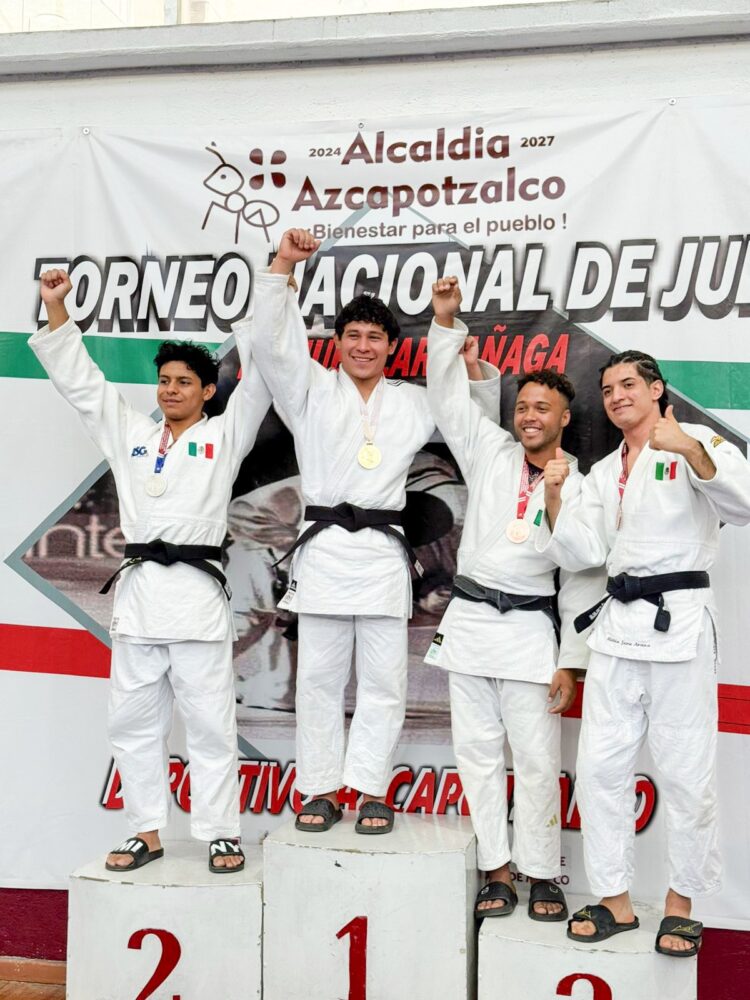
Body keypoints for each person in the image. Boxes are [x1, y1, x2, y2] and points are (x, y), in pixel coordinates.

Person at [249, 229, 498, 834]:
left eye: (375, 338)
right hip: (326, 551)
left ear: (391, 347)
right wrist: (283, 264)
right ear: (336, 344)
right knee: (318, 680)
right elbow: (272, 343)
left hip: (385, 557)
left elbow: (467, 413)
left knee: (386, 681)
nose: (363, 346)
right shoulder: (308, 391)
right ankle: (318, 789)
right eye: (353, 336)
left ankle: (367, 788)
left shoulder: (413, 402)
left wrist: (445, 326)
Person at [30, 268, 272, 873]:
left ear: (208, 391)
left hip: (195, 600)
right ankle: (146, 829)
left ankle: (220, 831)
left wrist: (265, 304)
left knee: (211, 724)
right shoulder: (133, 434)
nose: (168, 390)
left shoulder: (226, 436)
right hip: (139, 600)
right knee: (133, 722)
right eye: (163, 381)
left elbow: (264, 381)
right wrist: (57, 309)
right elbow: (84, 386)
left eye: (183, 382)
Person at [540, 350, 750, 956]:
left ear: (658, 389)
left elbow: (740, 505)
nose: (616, 395)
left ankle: (682, 904)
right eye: (607, 389)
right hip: (617, 627)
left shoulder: (698, 438)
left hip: (680, 622)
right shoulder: (606, 471)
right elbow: (581, 551)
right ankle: (616, 902)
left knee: (687, 772)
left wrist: (689, 450)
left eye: (628, 384)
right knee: (601, 769)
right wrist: (555, 498)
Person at [425, 275, 602, 921]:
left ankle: (542, 872)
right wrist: (446, 323)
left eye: (542, 409)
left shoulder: (579, 483)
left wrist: (572, 659)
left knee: (534, 761)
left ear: (563, 419)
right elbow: (447, 401)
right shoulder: (489, 451)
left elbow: (585, 571)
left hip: (531, 630)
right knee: (476, 756)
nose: (530, 416)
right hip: (471, 620)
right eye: (522, 406)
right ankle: (496, 869)